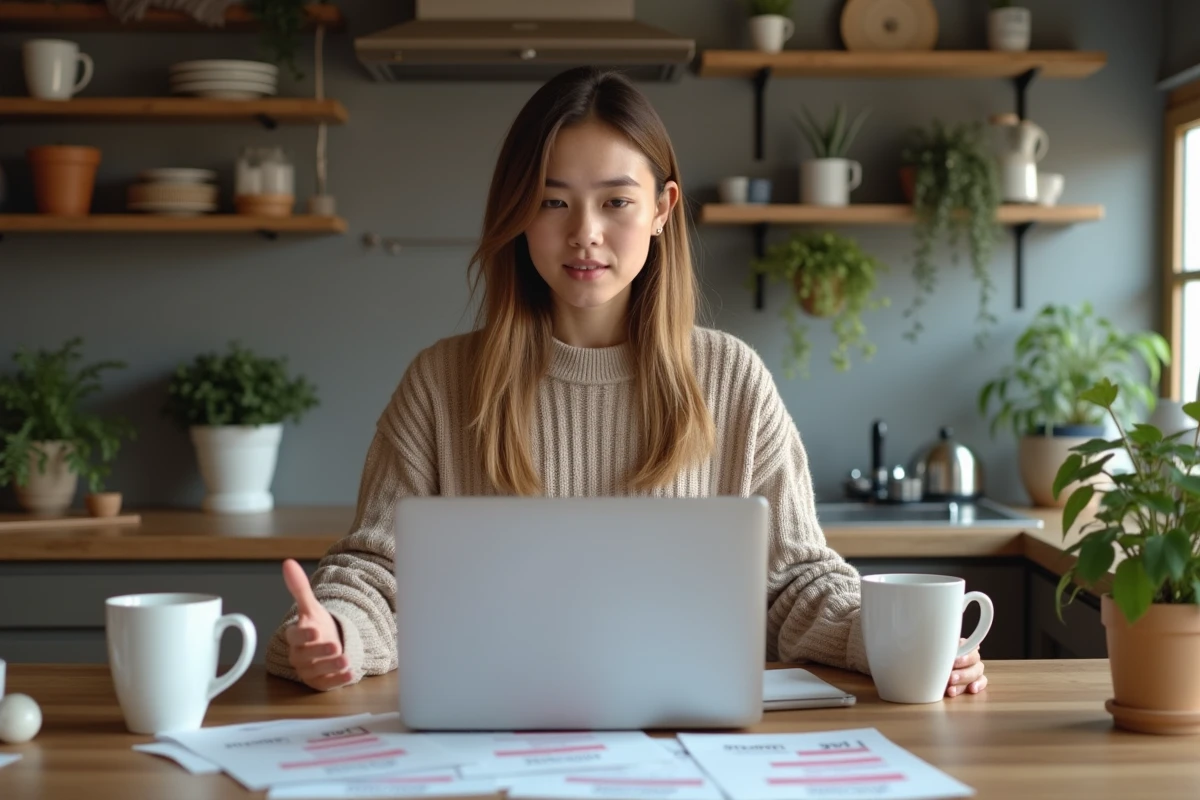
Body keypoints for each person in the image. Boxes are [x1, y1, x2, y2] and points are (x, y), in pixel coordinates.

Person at [266, 66, 987, 698]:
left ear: (663, 209)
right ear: (519, 212)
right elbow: (376, 575)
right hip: (486, 742)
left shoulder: (730, 378)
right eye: (553, 201)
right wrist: (337, 631)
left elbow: (797, 584)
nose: (585, 233)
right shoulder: (439, 382)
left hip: (684, 751)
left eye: (615, 201)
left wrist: (893, 642)